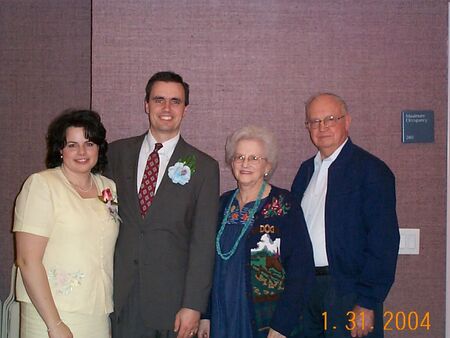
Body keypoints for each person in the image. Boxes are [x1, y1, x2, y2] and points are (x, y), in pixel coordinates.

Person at [105, 71, 220, 338]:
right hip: (121, 297)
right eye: (159, 100)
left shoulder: (203, 167)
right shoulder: (115, 154)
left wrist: (193, 305)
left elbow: (203, 243)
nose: (166, 108)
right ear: (146, 105)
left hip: (173, 304)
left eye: (175, 101)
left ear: (185, 109)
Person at [291, 93, 400, 338]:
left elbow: (383, 242)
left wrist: (367, 301)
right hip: (307, 289)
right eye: (314, 121)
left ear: (347, 121)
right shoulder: (306, 171)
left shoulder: (371, 171)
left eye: (330, 119)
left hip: (348, 291)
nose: (322, 127)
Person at [198, 125, 315, 338]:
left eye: (254, 158)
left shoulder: (284, 205)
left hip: (265, 320)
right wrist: (206, 314)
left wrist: (282, 325)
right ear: (231, 162)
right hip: (222, 314)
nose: (245, 163)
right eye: (239, 157)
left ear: (267, 165)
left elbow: (302, 270)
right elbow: (206, 264)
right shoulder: (222, 204)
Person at [13, 109, 119, 338]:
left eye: (89, 143)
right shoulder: (42, 185)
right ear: (60, 149)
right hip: (50, 313)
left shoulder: (107, 187)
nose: (82, 151)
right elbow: (26, 260)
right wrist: (54, 324)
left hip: (97, 312)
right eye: (72, 145)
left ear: (99, 148)